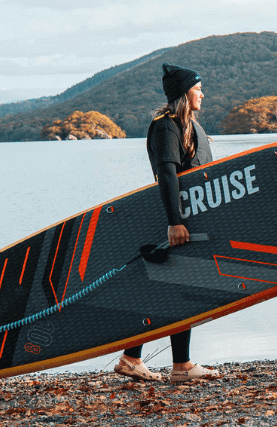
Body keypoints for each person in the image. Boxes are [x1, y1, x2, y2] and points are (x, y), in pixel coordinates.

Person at [114, 63, 221, 383]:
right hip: (176, 221)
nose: (203, 94)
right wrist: (175, 222)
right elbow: (167, 173)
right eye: (198, 88)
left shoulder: (189, 126)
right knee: (172, 288)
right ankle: (138, 358)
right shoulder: (166, 126)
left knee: (180, 289)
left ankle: (174, 364)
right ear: (183, 93)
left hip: (191, 219)